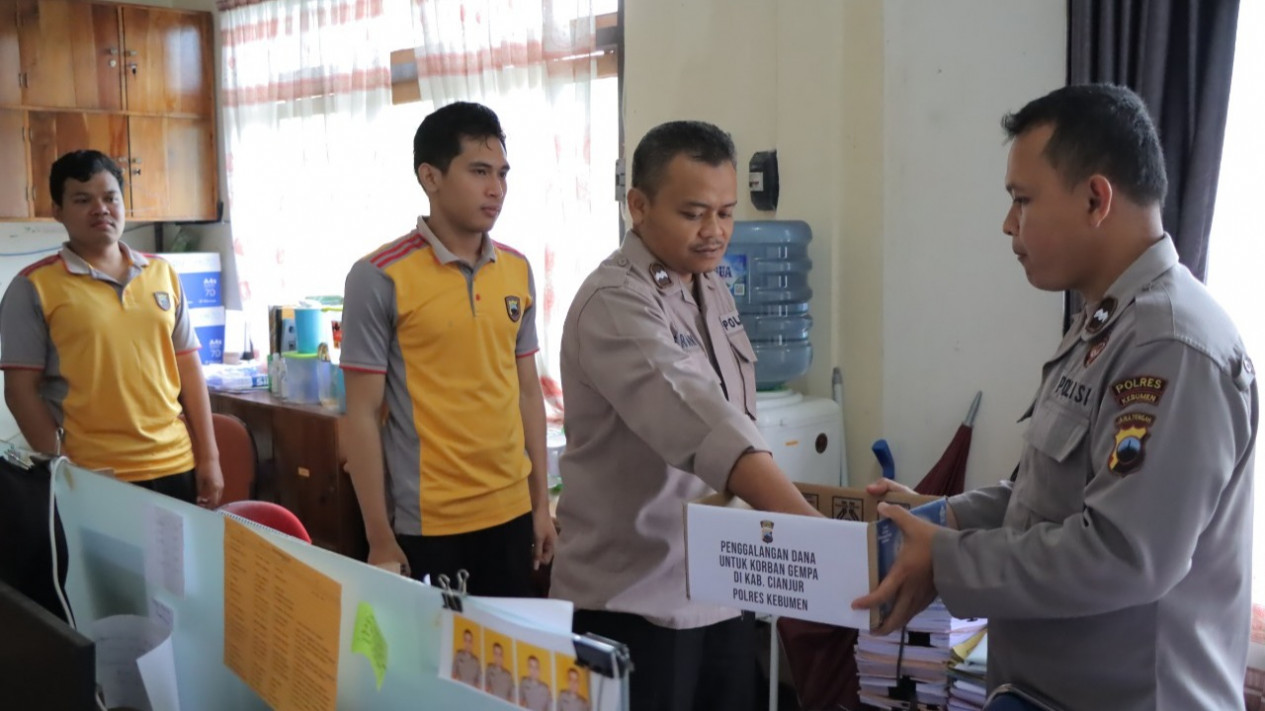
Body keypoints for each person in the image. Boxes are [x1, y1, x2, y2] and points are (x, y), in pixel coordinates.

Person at [853, 84, 1257, 711]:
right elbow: (1056, 500)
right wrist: (943, 516)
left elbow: (1122, 554)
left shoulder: (1171, 345)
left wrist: (948, 560)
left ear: (1096, 198)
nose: (1009, 224)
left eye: (1022, 200)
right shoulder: (1108, 323)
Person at [549, 120, 823, 711]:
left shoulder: (709, 284)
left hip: (719, 586)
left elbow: (735, 411)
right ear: (639, 205)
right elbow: (698, 416)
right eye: (695, 213)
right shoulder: (616, 302)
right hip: (634, 598)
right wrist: (815, 531)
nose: (715, 231)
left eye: (725, 212)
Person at [340, 101, 555, 597]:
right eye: (479, 171)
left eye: (502, 173)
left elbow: (527, 394)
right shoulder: (379, 276)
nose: (496, 188)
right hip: (429, 522)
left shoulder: (517, 270)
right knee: (433, 669)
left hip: (511, 512)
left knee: (507, 668)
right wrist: (379, 536)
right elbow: (362, 416)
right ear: (430, 177)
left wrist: (540, 505)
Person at [0, 150, 223, 507]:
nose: (100, 209)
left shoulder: (161, 273)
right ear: (58, 210)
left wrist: (209, 457)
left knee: (174, 565)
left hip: (176, 463)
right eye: (82, 199)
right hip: (93, 474)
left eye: (109, 198)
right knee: (104, 566)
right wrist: (62, 466)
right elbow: (20, 391)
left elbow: (188, 369)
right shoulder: (33, 287)